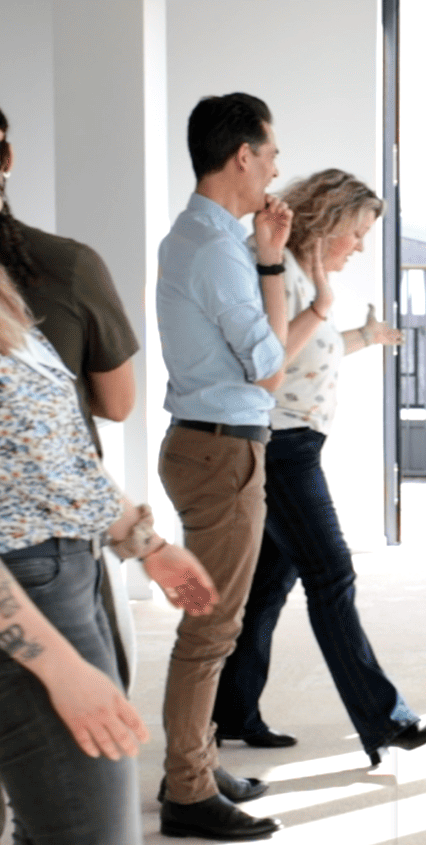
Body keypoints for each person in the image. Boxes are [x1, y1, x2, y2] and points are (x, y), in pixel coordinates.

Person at [212, 168, 426, 767]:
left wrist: (362, 335)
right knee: (332, 574)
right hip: (283, 448)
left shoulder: (295, 273)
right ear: (331, 220)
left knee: (268, 586)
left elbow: (306, 349)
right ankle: (386, 719)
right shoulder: (274, 270)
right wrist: (322, 304)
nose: (361, 246)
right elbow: (269, 361)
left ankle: (232, 711)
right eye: (359, 232)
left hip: (295, 444)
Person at [0, 263, 219, 845]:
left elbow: (62, 456)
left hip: (68, 572)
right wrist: (60, 668)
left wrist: (146, 543)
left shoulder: (7, 302)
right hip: (25, 599)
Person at [155, 92, 288, 841]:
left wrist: (261, 253)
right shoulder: (215, 249)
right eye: (271, 155)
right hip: (221, 450)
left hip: (207, 443)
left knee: (212, 621)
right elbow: (270, 367)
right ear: (243, 156)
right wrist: (271, 262)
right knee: (210, 630)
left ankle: (196, 762)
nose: (274, 170)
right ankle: (188, 789)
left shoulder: (203, 236)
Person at [0, 105, 144, 695]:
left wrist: (145, 540)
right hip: (44, 558)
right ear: (9, 159)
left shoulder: (19, 295)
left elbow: (57, 442)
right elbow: (116, 404)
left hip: (69, 540)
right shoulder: (64, 266)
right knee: (91, 731)